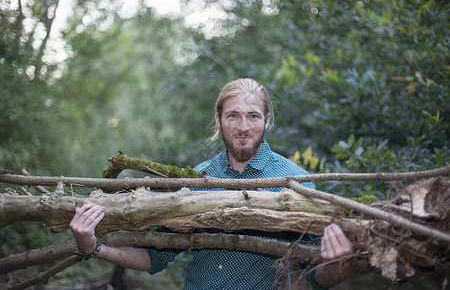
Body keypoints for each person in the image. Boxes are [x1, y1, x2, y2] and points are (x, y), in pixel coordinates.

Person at [70, 78, 353, 289]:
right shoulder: (195, 180)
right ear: (218, 120)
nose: (243, 127)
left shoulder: (295, 184)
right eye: (233, 116)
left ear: (267, 121)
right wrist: (92, 246)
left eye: (253, 116)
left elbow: (321, 276)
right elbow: (154, 257)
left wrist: (340, 264)